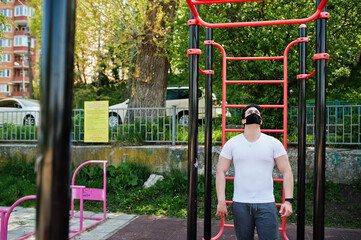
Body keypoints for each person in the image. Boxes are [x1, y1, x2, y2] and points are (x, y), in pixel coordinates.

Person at [215, 104, 294, 240]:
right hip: (240, 203)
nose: (253, 113)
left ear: (261, 121)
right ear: (243, 121)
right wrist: (221, 200)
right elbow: (220, 171)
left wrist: (288, 201)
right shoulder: (232, 143)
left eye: (256, 112)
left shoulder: (273, 143)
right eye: (250, 112)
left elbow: (287, 171)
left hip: (266, 202)